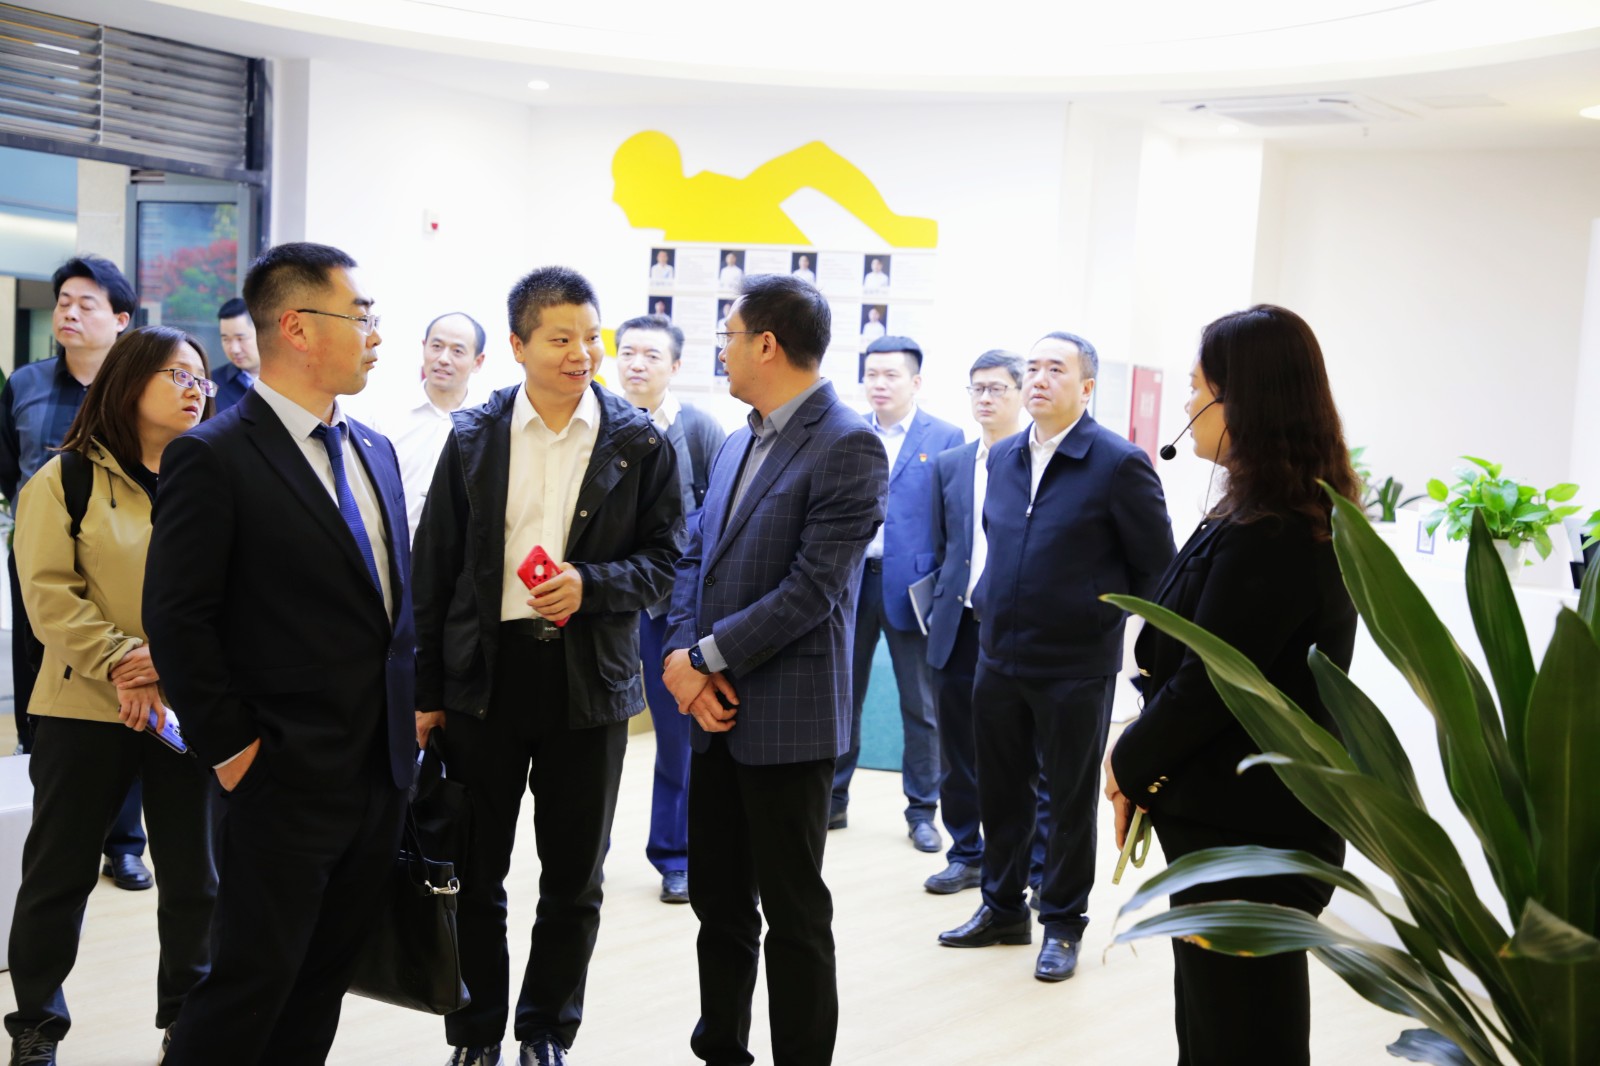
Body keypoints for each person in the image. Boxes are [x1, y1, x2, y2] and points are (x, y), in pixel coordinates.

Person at [144, 242, 416, 1066]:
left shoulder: (375, 449)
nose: (375, 334)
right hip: (277, 776)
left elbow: (389, 610)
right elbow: (178, 620)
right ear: (297, 327)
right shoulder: (214, 455)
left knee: (321, 985)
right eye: (360, 316)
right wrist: (233, 753)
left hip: (378, 775)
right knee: (246, 989)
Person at [411, 267, 681, 1066]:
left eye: (591, 337)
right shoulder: (474, 436)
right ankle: (477, 1033)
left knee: (574, 878)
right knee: (473, 872)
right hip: (483, 681)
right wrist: (426, 693)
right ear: (518, 345)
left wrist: (590, 586)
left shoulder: (638, 441)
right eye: (561, 338)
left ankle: (546, 1032)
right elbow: (434, 572)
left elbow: (667, 563)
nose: (581, 354)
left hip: (588, 683)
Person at [1106, 305, 1359, 1065]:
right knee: (1221, 1024)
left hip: (1249, 829)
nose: (1187, 402)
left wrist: (1126, 762)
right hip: (1230, 819)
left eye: (1197, 387)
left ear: (1239, 400)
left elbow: (1212, 682)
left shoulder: (1274, 530)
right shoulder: (1264, 513)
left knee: (1240, 1033)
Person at [661, 274, 887, 1066]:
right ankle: (720, 1047)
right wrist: (683, 657)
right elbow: (694, 557)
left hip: (789, 720)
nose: (719, 351)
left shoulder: (848, 443)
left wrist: (704, 657)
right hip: (713, 711)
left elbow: (812, 590)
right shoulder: (737, 439)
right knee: (719, 905)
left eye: (728, 336)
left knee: (794, 916)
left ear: (766, 343)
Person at [5, 325, 218, 1066]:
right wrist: (129, 663)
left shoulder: (214, 482)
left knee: (196, 879)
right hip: (82, 707)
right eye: (178, 375)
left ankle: (186, 1024)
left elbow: (235, 595)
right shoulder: (62, 479)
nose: (196, 390)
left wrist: (167, 670)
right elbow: (48, 597)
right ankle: (36, 1025)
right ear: (129, 381)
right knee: (58, 877)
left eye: (200, 379)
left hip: (187, 712)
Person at [939, 331, 1174, 984]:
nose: (1039, 379)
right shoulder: (1004, 456)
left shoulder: (1118, 463)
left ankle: (1064, 924)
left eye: (1055, 369)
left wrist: (1113, 633)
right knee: (1000, 793)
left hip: (1075, 665)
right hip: (998, 657)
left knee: (1067, 803)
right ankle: (1001, 909)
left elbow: (1158, 571)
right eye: (1033, 368)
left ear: (1087, 387)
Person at [0, 254, 151, 892]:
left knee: (128, 693)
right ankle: (56, 820)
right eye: (63, 300)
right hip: (42, 564)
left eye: (87, 303)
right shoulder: (24, 383)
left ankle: (124, 843)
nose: (69, 312)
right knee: (45, 690)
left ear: (121, 319)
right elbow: (8, 469)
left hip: (120, 565)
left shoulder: (141, 392)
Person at [922, 349, 1048, 896]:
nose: (986, 398)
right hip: (959, 625)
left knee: (1026, 755)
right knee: (957, 753)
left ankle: (1034, 867)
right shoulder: (951, 463)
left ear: (1021, 394)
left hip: (1018, 629)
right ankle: (966, 854)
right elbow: (943, 545)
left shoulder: (1039, 461)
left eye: (997, 388)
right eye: (978, 388)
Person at [830, 335, 963, 850]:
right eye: (872, 374)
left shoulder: (945, 436)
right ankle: (833, 801)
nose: (879, 384)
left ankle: (922, 811)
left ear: (916, 381)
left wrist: (945, 587)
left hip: (914, 588)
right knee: (842, 698)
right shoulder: (846, 430)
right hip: (850, 583)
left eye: (891, 375)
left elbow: (955, 520)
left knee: (921, 706)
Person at [615, 313, 726, 905]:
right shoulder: (595, 420)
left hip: (667, 609)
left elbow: (716, 518)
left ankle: (675, 856)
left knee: (677, 738)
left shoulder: (700, 429)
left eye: (652, 355)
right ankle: (586, 858)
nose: (637, 364)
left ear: (675, 366)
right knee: (594, 740)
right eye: (628, 352)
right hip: (604, 605)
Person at [369, 311, 487, 542]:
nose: (443, 359)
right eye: (436, 346)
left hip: (462, 558)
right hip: (398, 551)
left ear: (478, 362)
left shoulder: (487, 424)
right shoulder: (386, 418)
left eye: (457, 351)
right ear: (424, 347)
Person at [212, 297, 260, 410]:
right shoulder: (211, 385)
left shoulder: (294, 378)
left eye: (240, 338)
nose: (234, 349)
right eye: (226, 339)